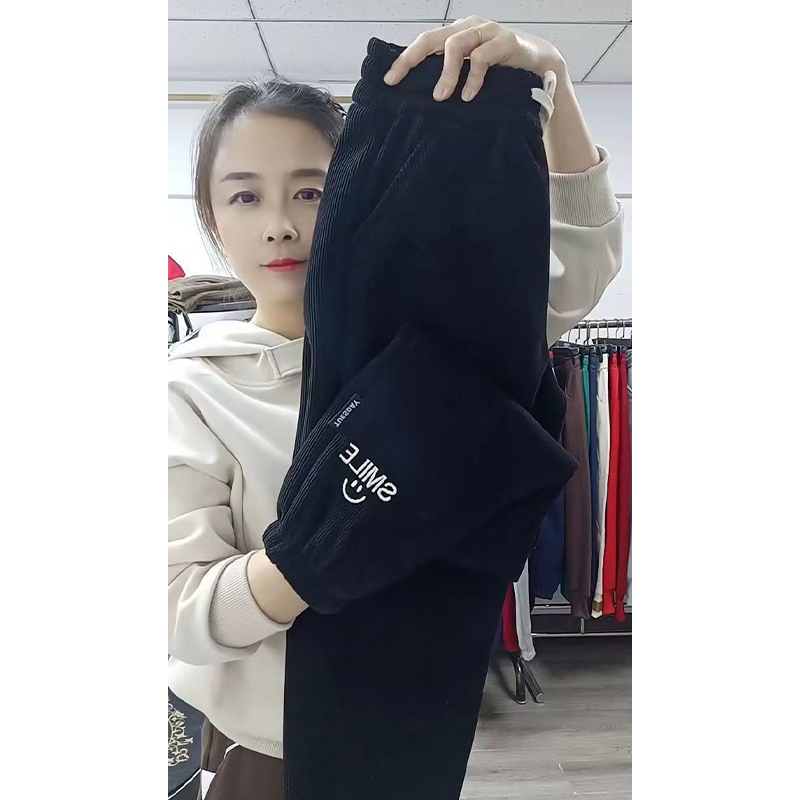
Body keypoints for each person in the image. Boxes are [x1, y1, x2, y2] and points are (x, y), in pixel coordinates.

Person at [168, 16, 624, 800]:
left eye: (311, 190)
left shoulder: (433, 348)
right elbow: (179, 611)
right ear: (212, 219)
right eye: (245, 196)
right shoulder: (193, 390)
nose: (280, 224)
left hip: (416, 744)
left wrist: (552, 79)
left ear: (353, 195)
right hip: (272, 760)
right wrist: (324, 550)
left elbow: (580, 269)